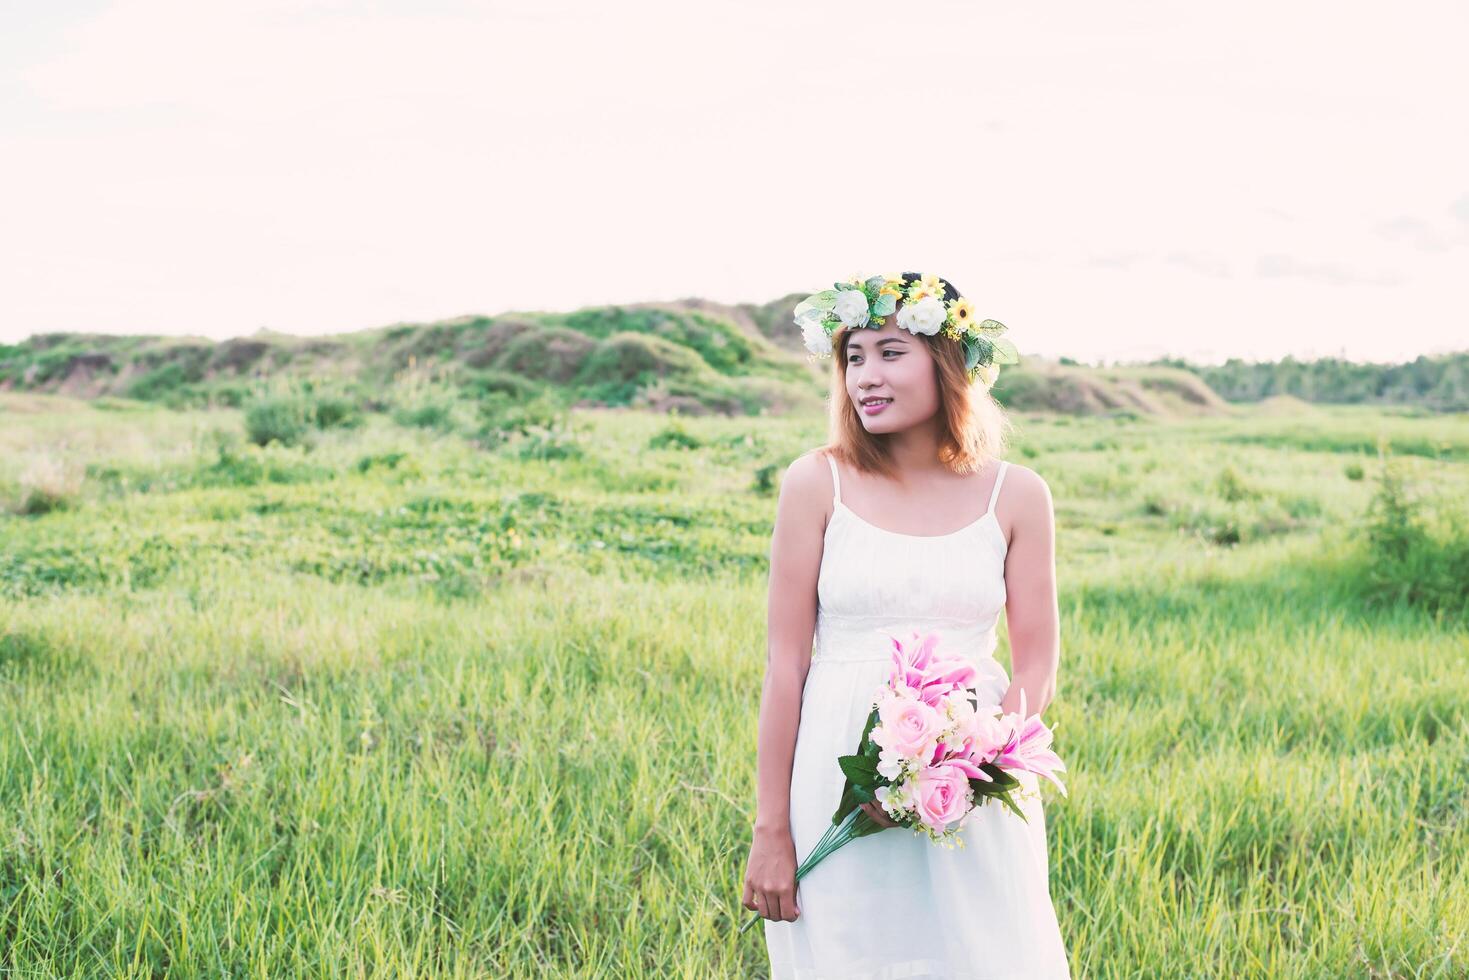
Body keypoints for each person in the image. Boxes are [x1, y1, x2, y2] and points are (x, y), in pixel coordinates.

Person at [742, 272, 1072, 978]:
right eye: (853, 357)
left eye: (890, 352)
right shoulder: (815, 482)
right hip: (833, 776)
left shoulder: (1016, 495)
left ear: (946, 365)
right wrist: (771, 826)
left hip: (970, 782)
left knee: (982, 955)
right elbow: (784, 667)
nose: (865, 376)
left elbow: (1037, 663)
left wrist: (971, 763)